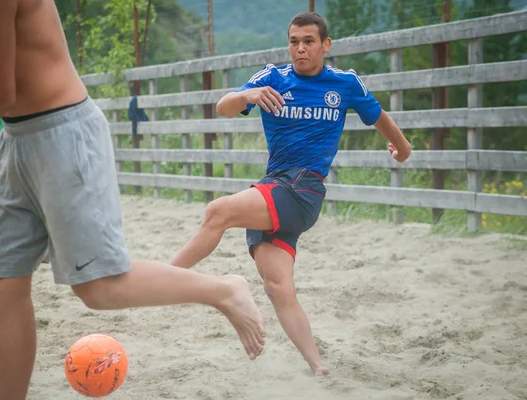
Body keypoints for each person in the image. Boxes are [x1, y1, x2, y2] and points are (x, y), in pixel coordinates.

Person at [0, 2, 265, 399]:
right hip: (14, 138)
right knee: (4, 285)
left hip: (63, 133)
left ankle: (223, 289)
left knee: (100, 288)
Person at [170, 12, 412, 376]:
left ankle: (161, 280)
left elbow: (379, 117)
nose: (300, 49)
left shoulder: (344, 84)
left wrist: (403, 150)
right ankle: (319, 367)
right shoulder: (272, 78)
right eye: (294, 41)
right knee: (277, 287)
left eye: (309, 42)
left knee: (218, 212)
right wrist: (247, 94)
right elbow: (223, 107)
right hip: (277, 187)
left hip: (303, 189)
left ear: (325, 45)